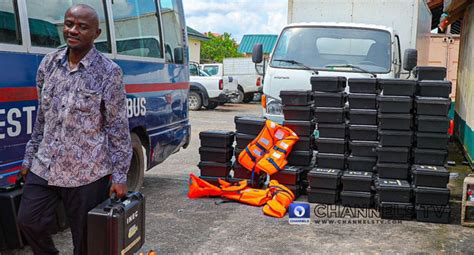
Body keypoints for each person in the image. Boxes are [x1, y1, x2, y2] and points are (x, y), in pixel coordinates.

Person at [17, 4, 132, 254]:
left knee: (86, 242)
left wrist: (121, 175)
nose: (73, 30)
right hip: (45, 163)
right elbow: (43, 117)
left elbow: (118, 126)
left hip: (87, 172)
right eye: (69, 24)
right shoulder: (49, 64)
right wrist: (29, 156)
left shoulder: (109, 72)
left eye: (82, 27)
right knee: (28, 221)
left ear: (96, 33)